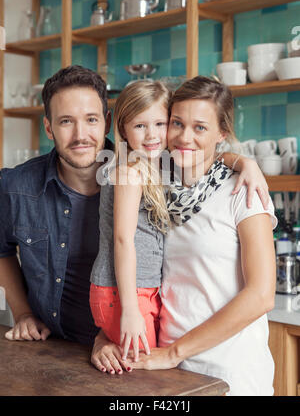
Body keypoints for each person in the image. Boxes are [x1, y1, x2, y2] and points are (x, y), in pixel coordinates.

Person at [89, 78, 276, 388]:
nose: (184, 137)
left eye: (200, 127)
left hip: (229, 371)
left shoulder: (245, 190)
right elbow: (135, 268)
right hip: (164, 365)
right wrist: (104, 338)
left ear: (222, 133)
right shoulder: (161, 183)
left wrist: (245, 163)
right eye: (177, 123)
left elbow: (261, 296)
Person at [0, 65, 112, 346]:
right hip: (54, 348)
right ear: (48, 128)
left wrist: (238, 161)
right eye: (66, 122)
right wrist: (23, 313)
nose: (80, 135)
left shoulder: (144, 181)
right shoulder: (16, 186)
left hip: (129, 350)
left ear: (106, 123)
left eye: (91, 120)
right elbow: (1, 250)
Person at [90, 80, 171, 364]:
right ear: (123, 128)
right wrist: (130, 309)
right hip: (125, 293)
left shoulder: (149, 166)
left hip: (138, 290)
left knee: (141, 374)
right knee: (141, 379)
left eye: (160, 123)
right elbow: (123, 240)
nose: (152, 135)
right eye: (140, 126)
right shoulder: (129, 171)